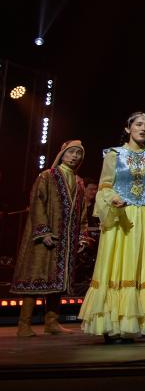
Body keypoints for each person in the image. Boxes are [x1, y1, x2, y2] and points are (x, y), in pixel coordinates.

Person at [79, 112, 145, 342]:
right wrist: (113, 199)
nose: (143, 128)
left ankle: (130, 325)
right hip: (119, 215)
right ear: (128, 128)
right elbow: (105, 186)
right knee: (115, 265)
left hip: (142, 218)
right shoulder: (114, 154)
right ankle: (110, 325)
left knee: (137, 267)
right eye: (138, 124)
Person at [13, 140, 88, 337]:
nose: (75, 156)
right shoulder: (48, 176)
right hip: (47, 237)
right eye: (71, 152)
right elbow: (37, 203)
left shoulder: (79, 182)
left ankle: (52, 322)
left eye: (78, 154)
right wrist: (43, 231)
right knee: (36, 276)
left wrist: (81, 236)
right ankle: (24, 324)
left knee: (58, 281)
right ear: (62, 154)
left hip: (66, 240)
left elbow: (82, 212)